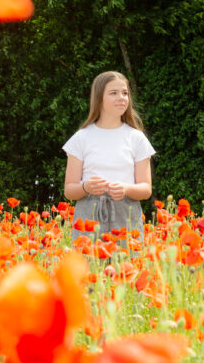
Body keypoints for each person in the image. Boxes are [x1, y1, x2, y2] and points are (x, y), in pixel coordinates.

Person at [63, 71, 155, 241]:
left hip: (126, 216)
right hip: (88, 218)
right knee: (90, 266)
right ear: (99, 99)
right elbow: (69, 190)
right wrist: (86, 188)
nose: (121, 97)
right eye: (113, 93)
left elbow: (146, 189)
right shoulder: (81, 138)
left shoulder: (137, 138)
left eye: (125, 93)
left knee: (126, 266)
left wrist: (126, 189)